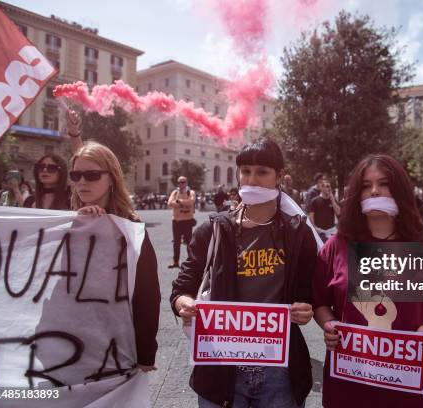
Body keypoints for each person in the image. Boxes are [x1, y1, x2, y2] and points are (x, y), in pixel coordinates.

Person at [171, 138, 318, 408]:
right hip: (220, 367)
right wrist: (185, 304)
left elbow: (309, 291)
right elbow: (182, 287)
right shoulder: (213, 230)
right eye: (246, 171)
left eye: (262, 172)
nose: (252, 179)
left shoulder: (298, 233)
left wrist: (304, 309)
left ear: (279, 177)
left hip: (279, 371)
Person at [313, 154, 423, 408]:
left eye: (384, 183)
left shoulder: (422, 250)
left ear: (399, 190)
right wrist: (330, 325)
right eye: (366, 186)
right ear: (357, 194)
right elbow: (320, 303)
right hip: (351, 388)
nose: (375, 191)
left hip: (412, 392)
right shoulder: (336, 246)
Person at [70, 141, 160, 372]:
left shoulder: (132, 228)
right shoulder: (65, 222)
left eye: (91, 175)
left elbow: (147, 295)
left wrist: (145, 353)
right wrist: (73, 226)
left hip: (117, 344)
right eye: (76, 175)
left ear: (111, 178)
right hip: (68, 338)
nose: (82, 181)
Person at [167, 176, 196, 269]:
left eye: (183, 182)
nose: (181, 184)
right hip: (176, 221)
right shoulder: (175, 192)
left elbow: (191, 202)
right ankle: (175, 262)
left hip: (187, 221)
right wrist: (183, 203)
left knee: (189, 242)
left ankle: (191, 261)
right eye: (179, 182)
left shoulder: (191, 192)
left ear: (186, 182)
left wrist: (179, 202)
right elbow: (170, 203)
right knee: (176, 242)